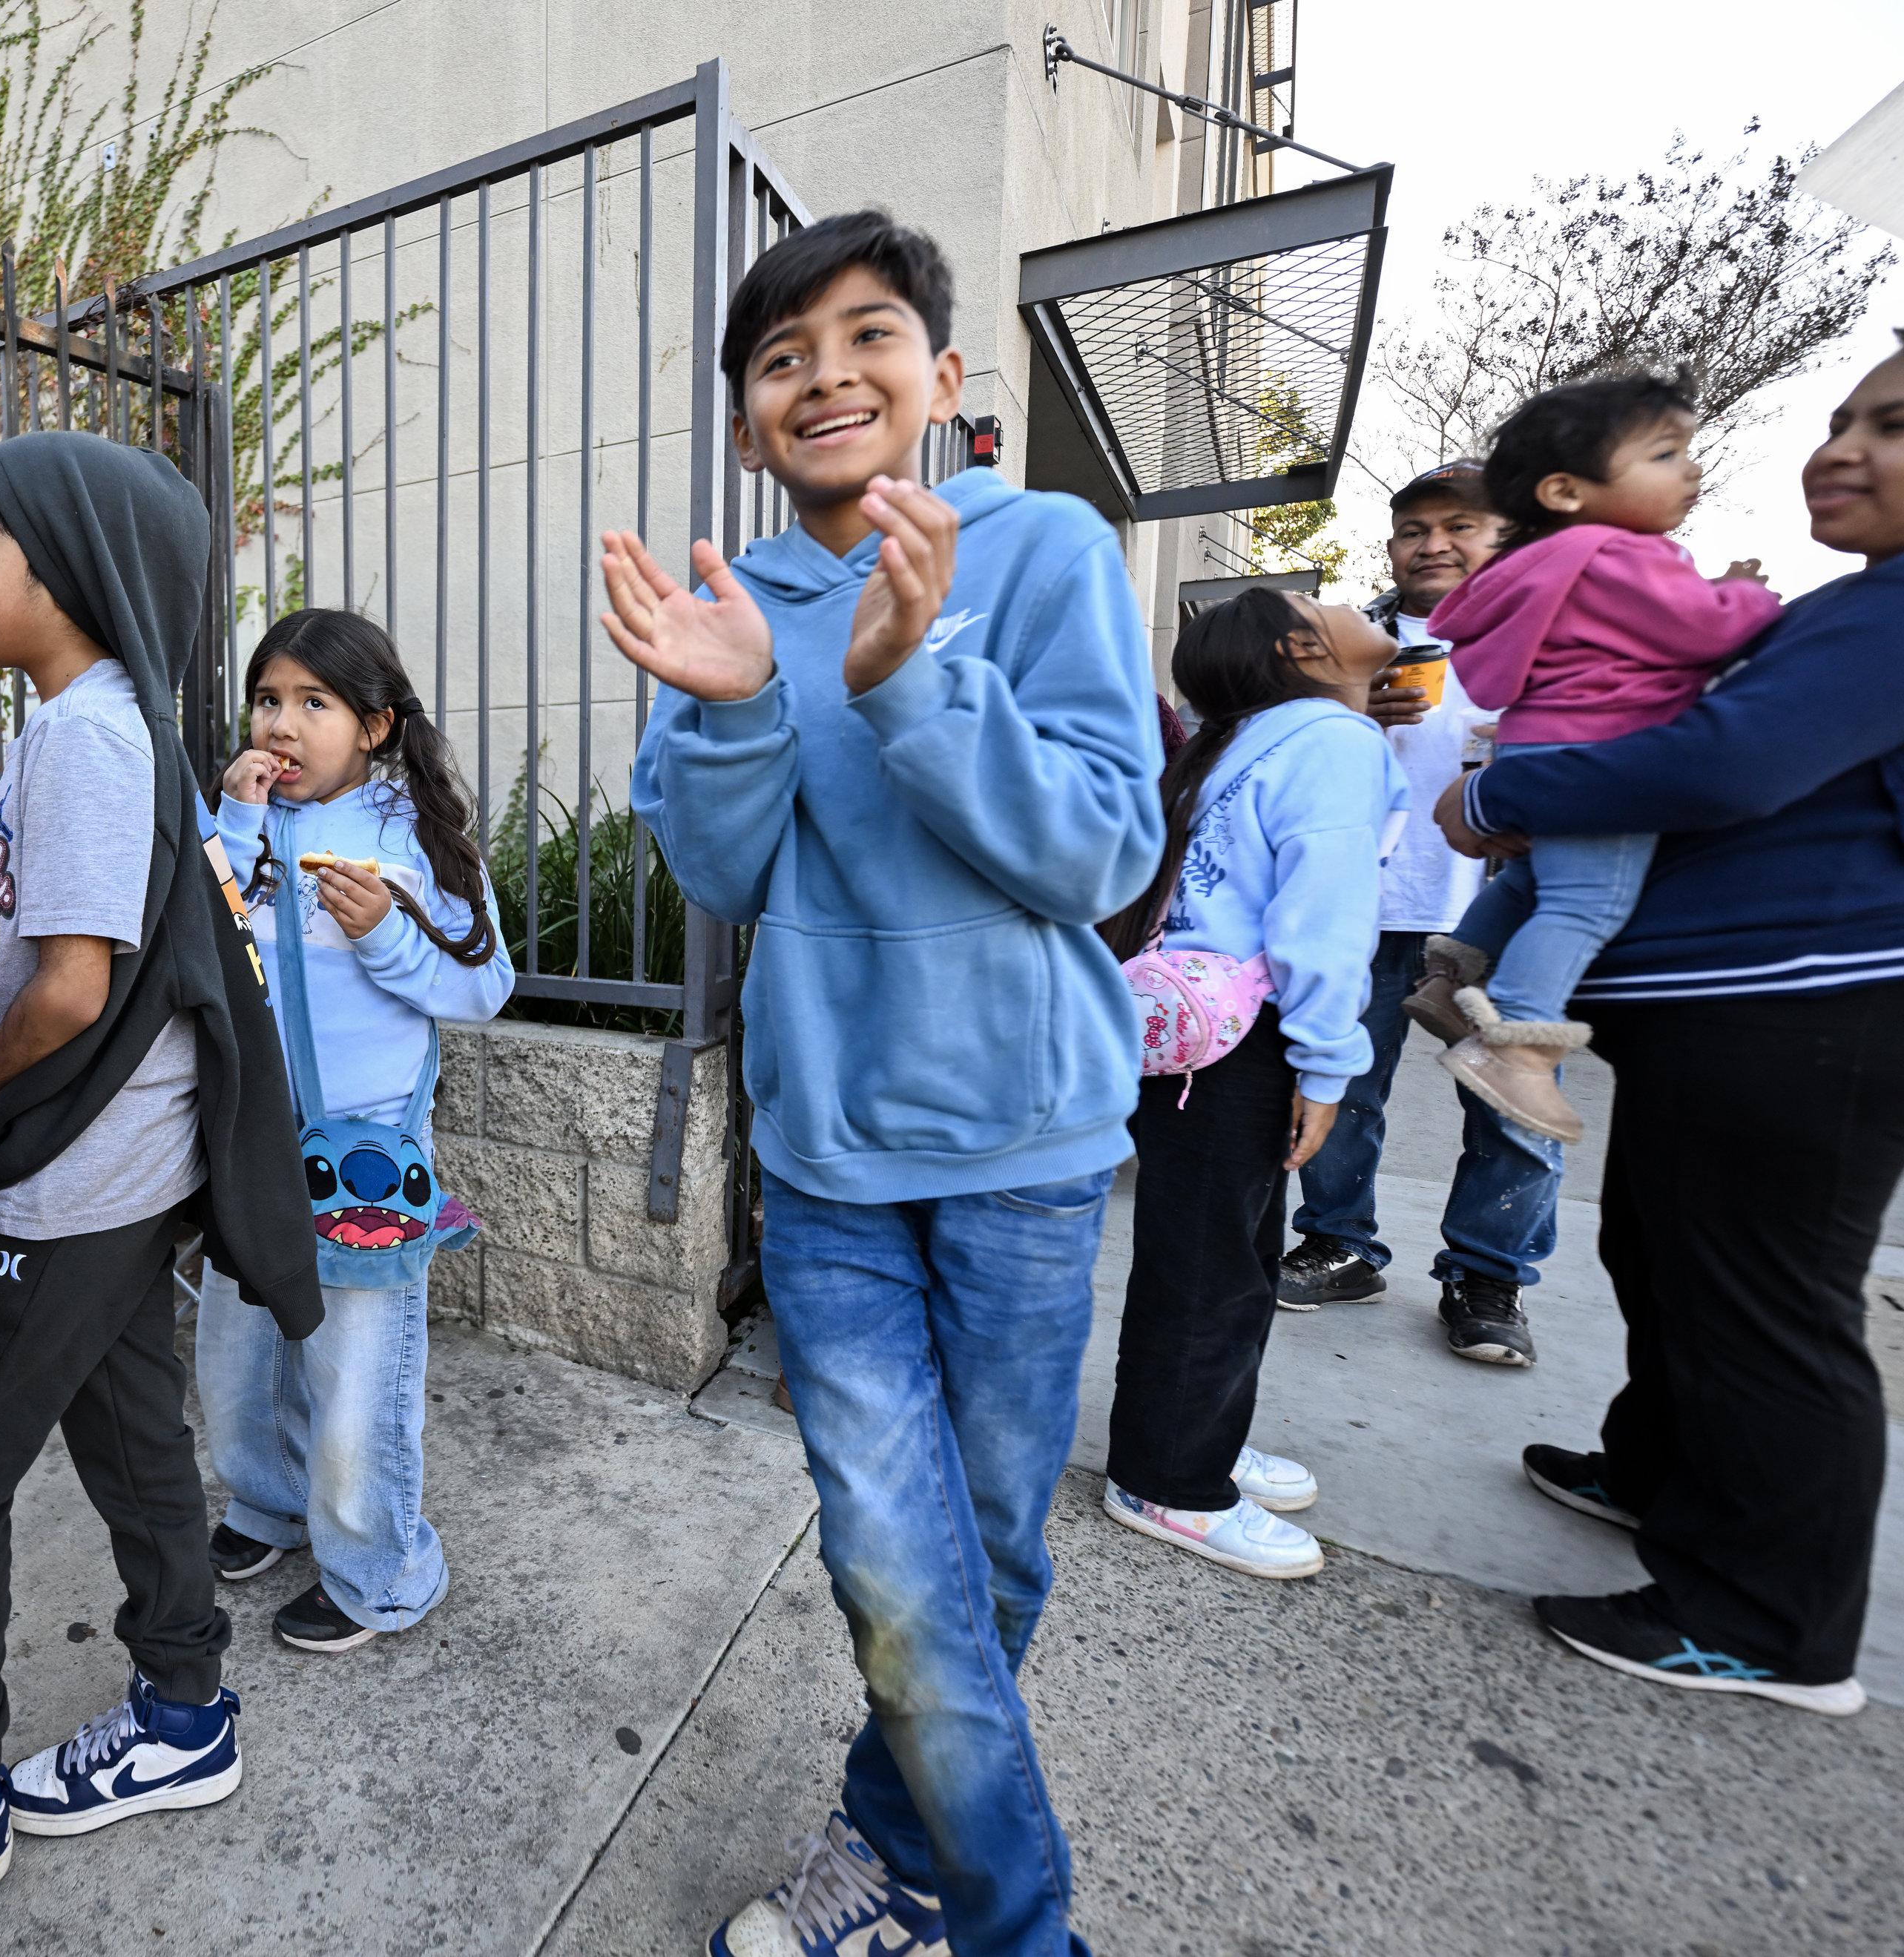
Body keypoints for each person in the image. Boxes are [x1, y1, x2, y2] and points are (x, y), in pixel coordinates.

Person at [606, 209, 1162, 1957]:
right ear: (746, 418)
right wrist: (732, 709)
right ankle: (1016, 1926)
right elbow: (721, 871)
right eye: (781, 357)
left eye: (865, 337)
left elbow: (1100, 851)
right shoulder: (726, 606)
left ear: (942, 374)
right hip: (828, 1161)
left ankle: (890, 1845)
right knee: (894, 1565)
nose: (824, 376)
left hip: (1024, 1148)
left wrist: (913, 680)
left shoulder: (1041, 547)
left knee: (981, 1561)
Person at [1438, 345, 1904, 1718]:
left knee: (1765, 1300)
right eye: (1842, 419)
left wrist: (1503, 793)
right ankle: (1661, 1474)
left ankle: (1766, 1618)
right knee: (1665, 1252)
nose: (1842, 447)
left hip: (1808, 1008)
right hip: (1730, 1006)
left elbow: (1725, 762)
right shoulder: (1855, 603)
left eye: (1891, 427)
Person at [0, 432, 320, 1910]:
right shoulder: (100, 721)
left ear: (71, 569)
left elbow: (73, 983)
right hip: (126, 1172)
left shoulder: (86, 733)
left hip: (65, 1177)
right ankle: (184, 1711)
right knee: (137, 1440)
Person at [201, 608, 513, 1652]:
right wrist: (234, 822)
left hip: (365, 1153)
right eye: (267, 699)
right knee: (239, 1354)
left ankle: (381, 1571)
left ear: (376, 725)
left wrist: (386, 937)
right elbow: (202, 937)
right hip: (249, 1139)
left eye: (314, 702)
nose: (281, 724)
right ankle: (269, 1503)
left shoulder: (415, 838)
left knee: (355, 1375)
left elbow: (482, 987)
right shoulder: (237, 821)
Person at [1098, 590, 1406, 1582]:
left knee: (1218, 1252)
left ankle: (1199, 1438)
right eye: (1321, 602)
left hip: (1194, 1026)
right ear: (1299, 649)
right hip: (1247, 1037)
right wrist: (1328, 1060)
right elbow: (1324, 918)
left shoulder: (1230, 742)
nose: (1350, 601)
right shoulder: (1331, 741)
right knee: (1216, 1263)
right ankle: (1167, 1478)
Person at [1420, 373, 1782, 1142]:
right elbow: (1705, 629)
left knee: (1533, 879)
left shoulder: (1538, 562)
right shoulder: (1620, 554)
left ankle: (1453, 974)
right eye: (1665, 454)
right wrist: (1744, 593)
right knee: (1587, 902)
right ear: (1564, 490)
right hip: (1602, 744)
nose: (1691, 469)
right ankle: (1517, 1042)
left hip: (1541, 737)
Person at [1277, 461, 1565, 1368]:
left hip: (1509, 912)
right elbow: (1271, 749)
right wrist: (1344, 705)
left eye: (1458, 527)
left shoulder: (1557, 640)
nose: (1431, 545)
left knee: (1510, 1104)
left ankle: (1487, 1277)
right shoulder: (1342, 640)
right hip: (1361, 907)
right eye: (1413, 529)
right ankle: (1339, 1245)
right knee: (1340, 1085)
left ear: (1506, 539)